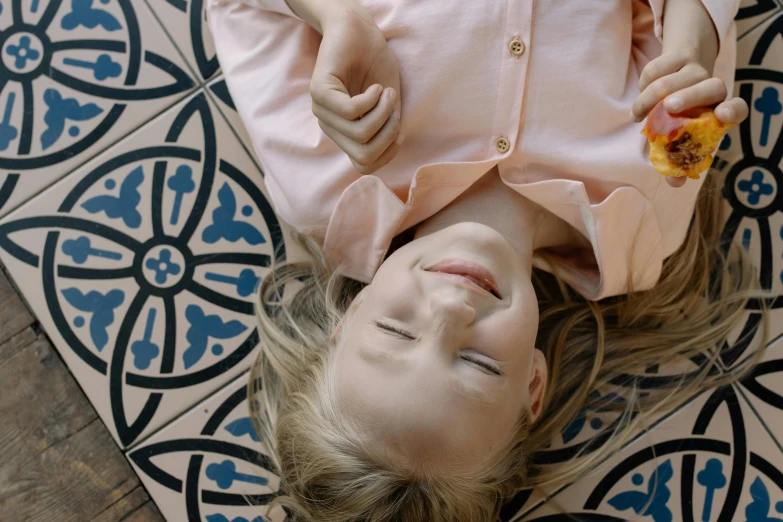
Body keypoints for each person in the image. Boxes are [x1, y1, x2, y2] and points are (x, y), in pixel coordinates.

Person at [208, 0, 765, 520]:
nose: (453, 311)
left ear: (345, 325)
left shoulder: (325, 185)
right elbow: (691, 39)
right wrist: (694, 46)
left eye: (396, 331)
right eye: (478, 364)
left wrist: (334, 18)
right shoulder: (647, 215)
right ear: (533, 387)